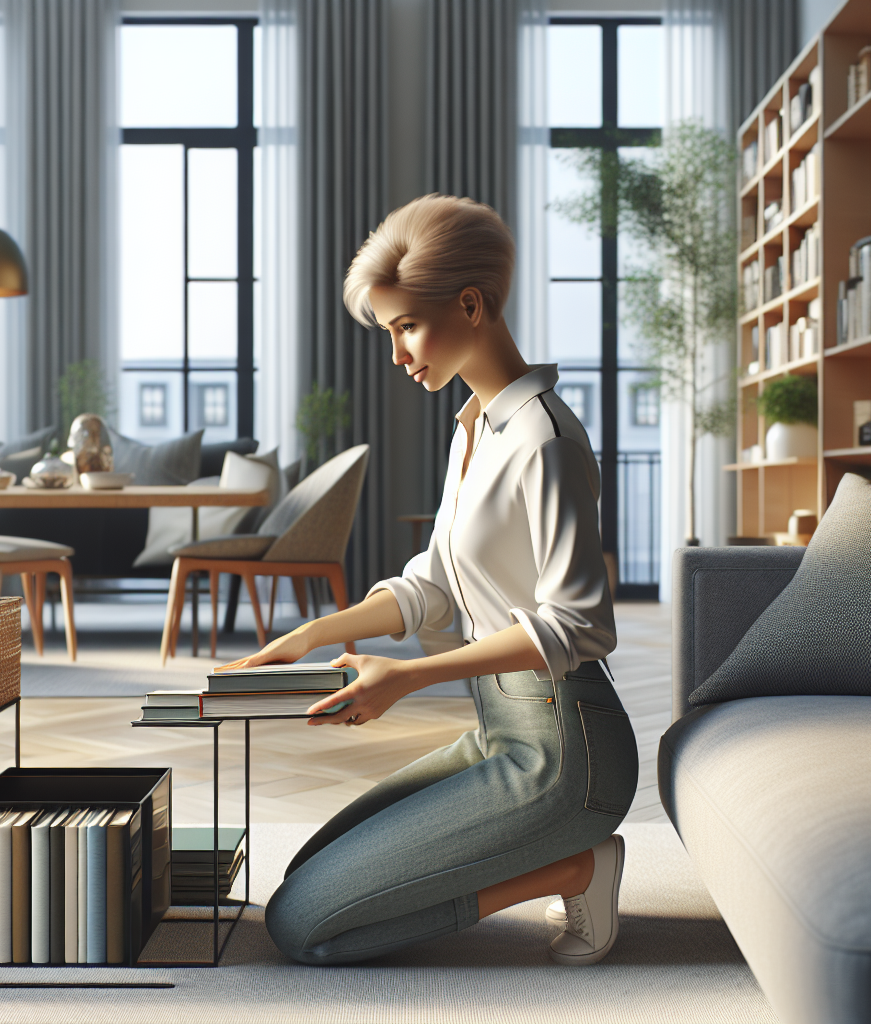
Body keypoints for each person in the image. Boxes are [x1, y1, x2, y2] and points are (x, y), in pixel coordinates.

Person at [219, 194, 638, 966]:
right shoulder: (475, 428)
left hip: (566, 754)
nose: (399, 354)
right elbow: (433, 587)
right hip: (499, 730)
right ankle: (548, 855)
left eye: (406, 326)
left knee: (305, 930)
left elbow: (579, 625)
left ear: (471, 304)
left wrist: (407, 678)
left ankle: (577, 864)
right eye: (389, 332)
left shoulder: (545, 441)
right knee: (305, 879)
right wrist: (311, 634)